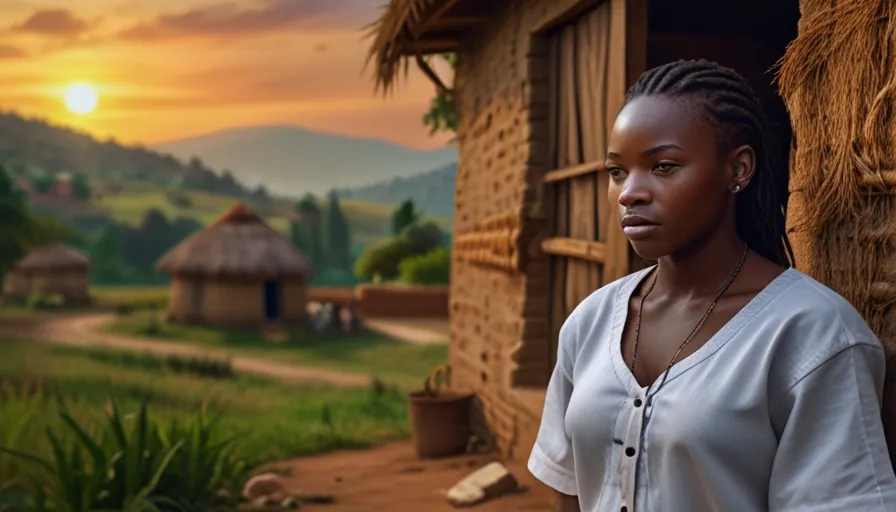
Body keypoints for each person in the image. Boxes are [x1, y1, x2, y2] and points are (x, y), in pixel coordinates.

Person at [527, 59, 896, 512]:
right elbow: (570, 487)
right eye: (617, 172)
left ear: (737, 169)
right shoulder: (590, 322)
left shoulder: (813, 335)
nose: (629, 193)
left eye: (662, 166)